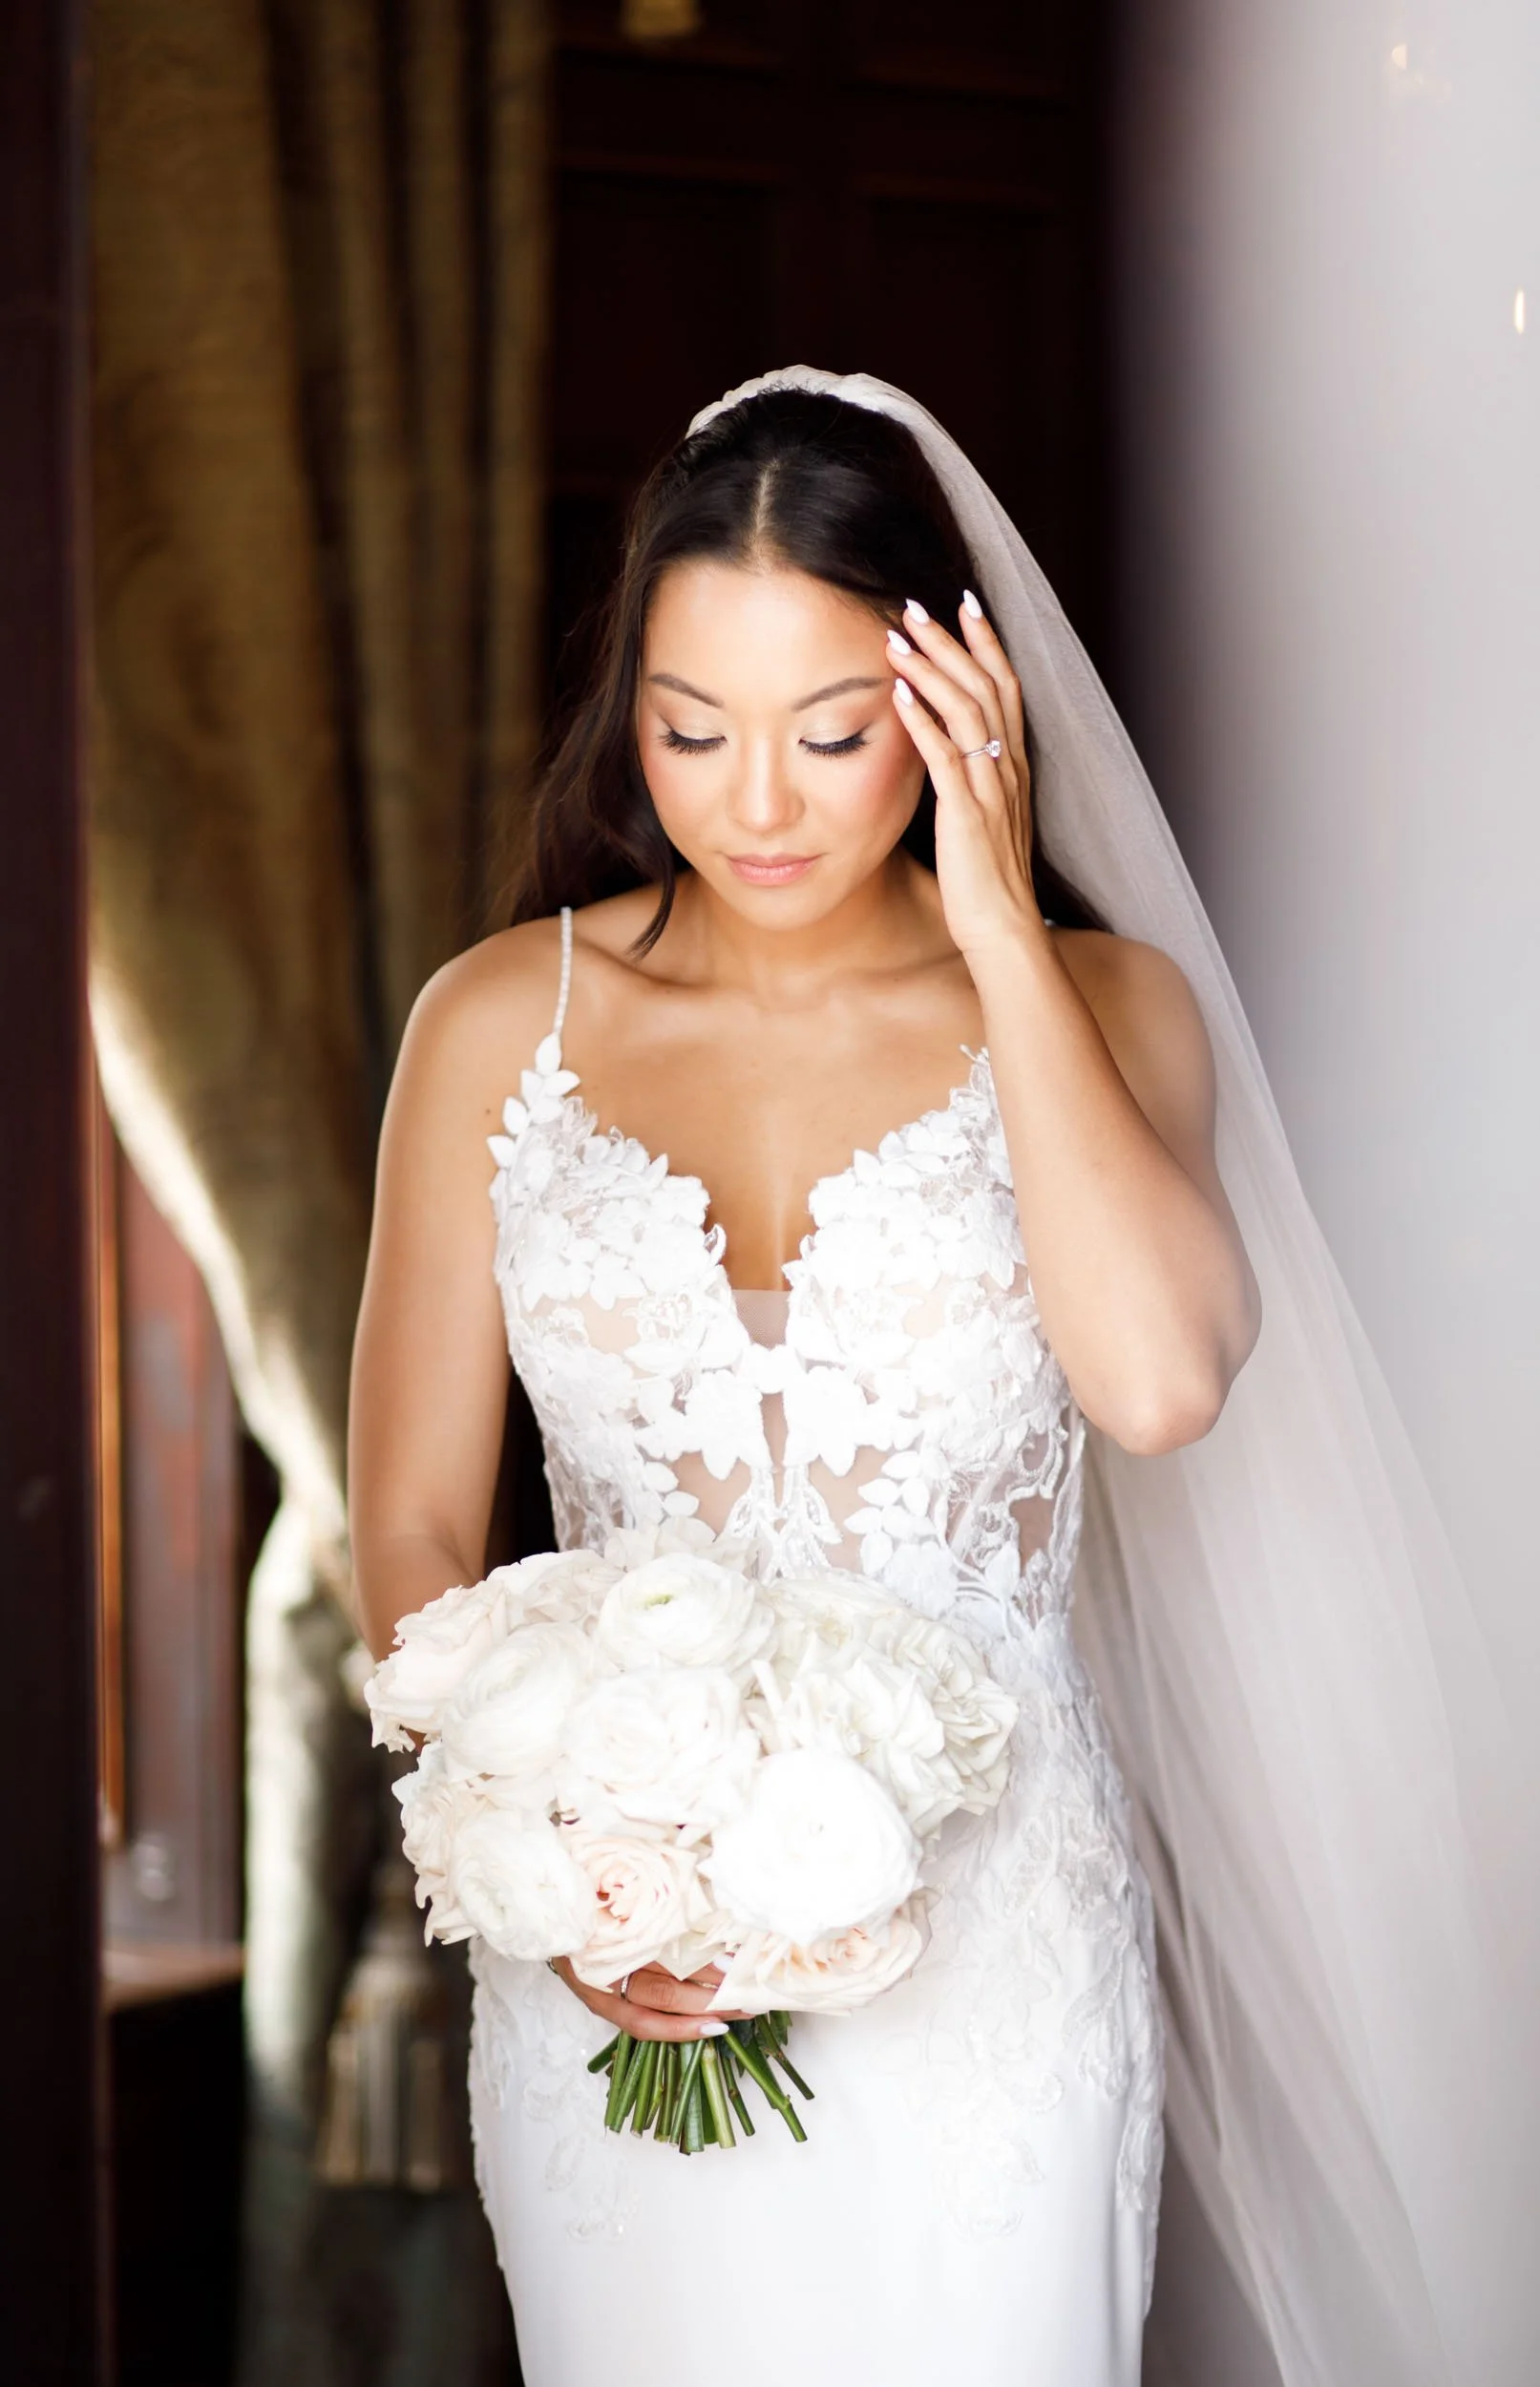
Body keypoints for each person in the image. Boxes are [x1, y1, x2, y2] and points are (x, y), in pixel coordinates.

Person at [348, 372, 1534, 2387]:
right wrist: (548, 1855)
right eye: (688, 727)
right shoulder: (493, 1020)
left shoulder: (1096, 1004)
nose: (757, 802)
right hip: (618, 1965)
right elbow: (414, 1521)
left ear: (954, 698)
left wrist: (992, 916)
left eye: (831, 730)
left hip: (991, 1975)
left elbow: (1156, 1380)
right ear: (624, 705)